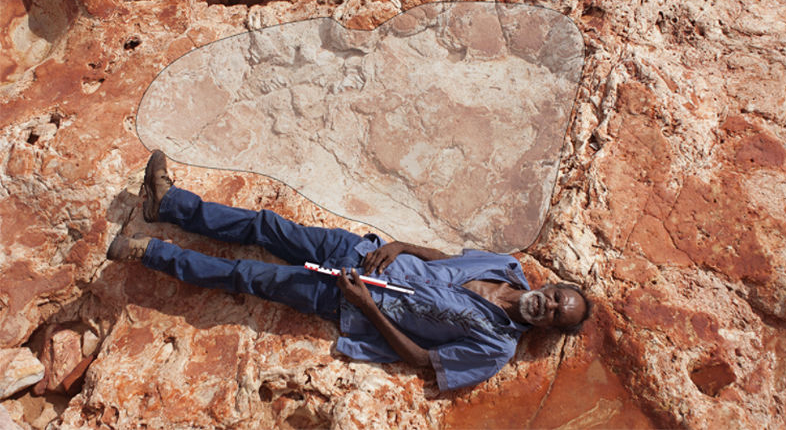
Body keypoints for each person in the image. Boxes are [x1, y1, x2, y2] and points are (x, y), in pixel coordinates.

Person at [107, 151, 591, 391]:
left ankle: (148, 253)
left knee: (249, 277)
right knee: (265, 226)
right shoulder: (507, 266)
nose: (548, 306)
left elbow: (424, 360)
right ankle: (169, 204)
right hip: (358, 251)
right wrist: (401, 245)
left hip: (349, 298)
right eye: (556, 298)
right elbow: (448, 261)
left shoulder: (496, 349)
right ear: (552, 285)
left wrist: (367, 307)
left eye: (556, 316)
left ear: (549, 329)